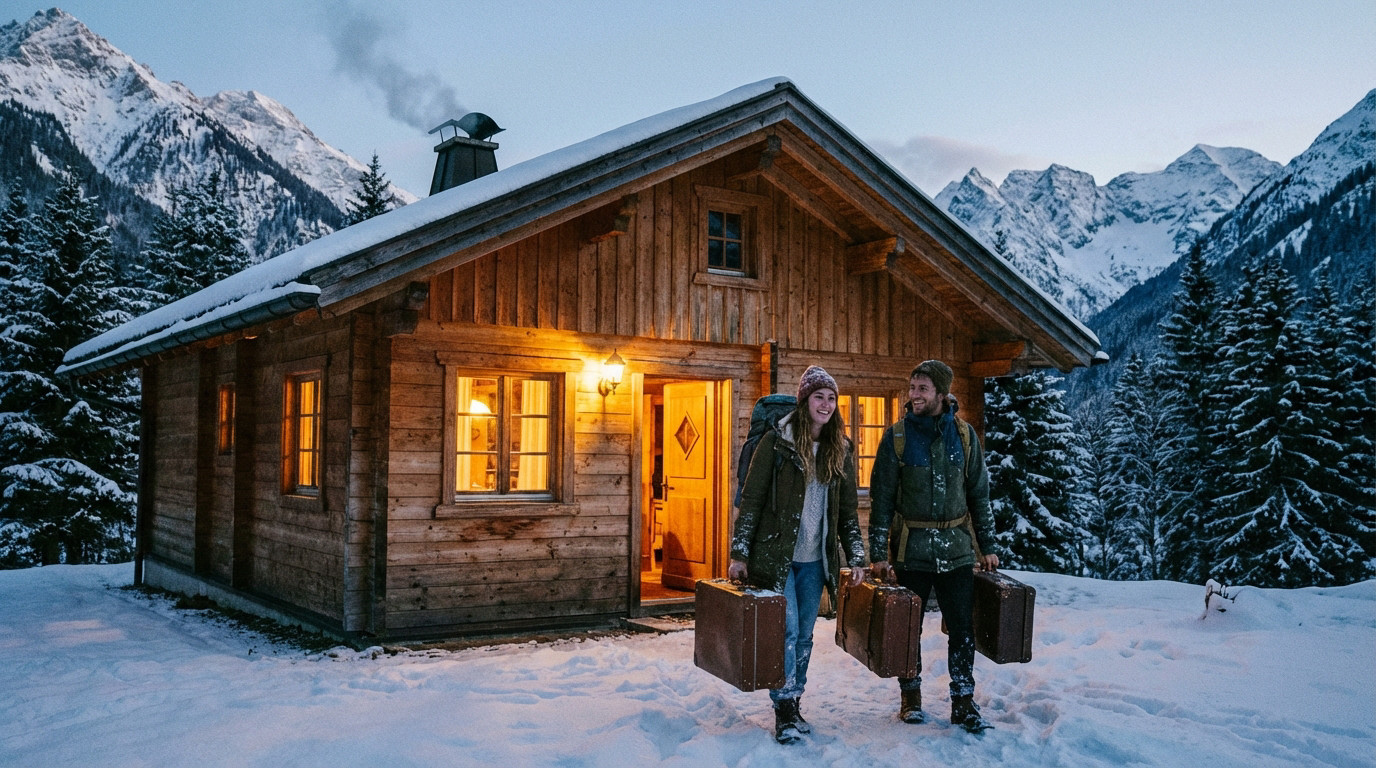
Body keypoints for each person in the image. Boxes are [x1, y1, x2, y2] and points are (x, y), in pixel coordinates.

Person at [728, 365, 868, 744]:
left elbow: (847, 514)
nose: (825, 404)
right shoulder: (777, 443)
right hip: (777, 556)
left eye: (831, 398)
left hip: (815, 561)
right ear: (805, 402)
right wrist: (739, 553)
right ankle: (784, 707)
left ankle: (796, 698)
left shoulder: (841, 449)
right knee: (787, 630)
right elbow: (753, 502)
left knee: (805, 634)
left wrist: (857, 556)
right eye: (818, 397)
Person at [867, 360, 999, 734]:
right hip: (912, 551)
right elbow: (881, 500)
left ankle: (963, 699)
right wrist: (879, 554)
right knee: (909, 628)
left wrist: (986, 545)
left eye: (922, 389)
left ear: (941, 393)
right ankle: (911, 696)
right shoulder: (897, 437)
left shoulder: (966, 436)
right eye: (912, 388)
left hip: (957, 549)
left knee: (962, 627)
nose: (914, 395)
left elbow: (979, 494)